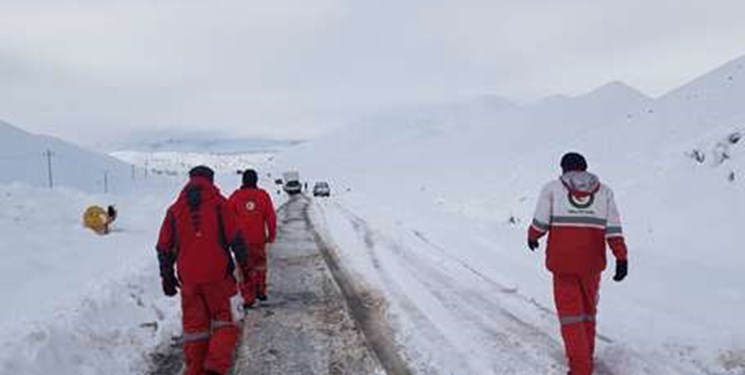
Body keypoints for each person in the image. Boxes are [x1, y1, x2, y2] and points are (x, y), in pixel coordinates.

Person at [527, 152, 628, 375]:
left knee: (571, 317)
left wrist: (532, 236)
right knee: (587, 313)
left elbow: (541, 222)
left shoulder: (552, 189)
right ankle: (586, 356)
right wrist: (621, 257)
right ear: (585, 168)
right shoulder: (605, 192)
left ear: (563, 169)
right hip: (592, 265)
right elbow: (613, 228)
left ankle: (580, 368)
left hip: (562, 265)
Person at [155, 166, 250, 375]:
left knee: (195, 331)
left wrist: (167, 277)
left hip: (189, 281)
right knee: (226, 322)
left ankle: (195, 370)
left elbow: (163, 247)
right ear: (211, 180)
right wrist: (247, 270)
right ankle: (215, 368)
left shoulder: (174, 210)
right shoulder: (220, 204)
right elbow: (237, 240)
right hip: (219, 280)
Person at [228, 169, 277, 307]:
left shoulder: (235, 197)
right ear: (256, 181)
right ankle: (260, 291)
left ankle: (248, 296)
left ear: (243, 180)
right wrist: (271, 235)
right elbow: (271, 217)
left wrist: (228, 238)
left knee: (244, 268)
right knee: (260, 266)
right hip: (258, 240)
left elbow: (227, 217)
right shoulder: (263, 196)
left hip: (241, 242)